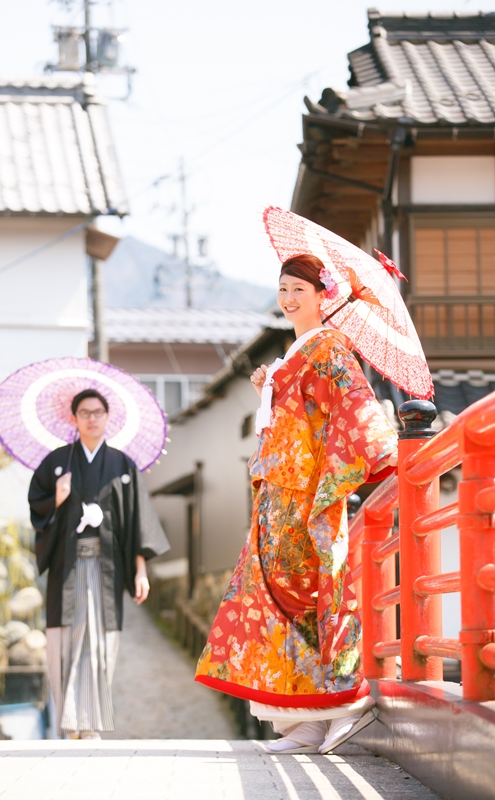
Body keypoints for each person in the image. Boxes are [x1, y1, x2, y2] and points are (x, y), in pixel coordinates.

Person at [195, 254, 398, 754]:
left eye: (298, 291)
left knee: (313, 596)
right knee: (276, 601)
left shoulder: (330, 347)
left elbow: (352, 407)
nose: (288, 299)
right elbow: (293, 419)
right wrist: (272, 388)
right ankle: (301, 719)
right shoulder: (296, 352)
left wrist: (355, 464)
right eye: (283, 289)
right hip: (274, 493)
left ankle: (345, 704)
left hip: (306, 493)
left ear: (323, 296)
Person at [28, 388, 170, 739]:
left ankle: (88, 723)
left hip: (106, 567)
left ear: (108, 418)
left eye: (98, 412)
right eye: (85, 412)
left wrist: (140, 570)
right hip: (68, 566)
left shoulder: (122, 465)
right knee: (68, 640)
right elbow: (37, 507)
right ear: (73, 419)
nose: (92, 418)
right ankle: (70, 722)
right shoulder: (57, 462)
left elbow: (137, 520)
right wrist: (58, 497)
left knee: (101, 642)